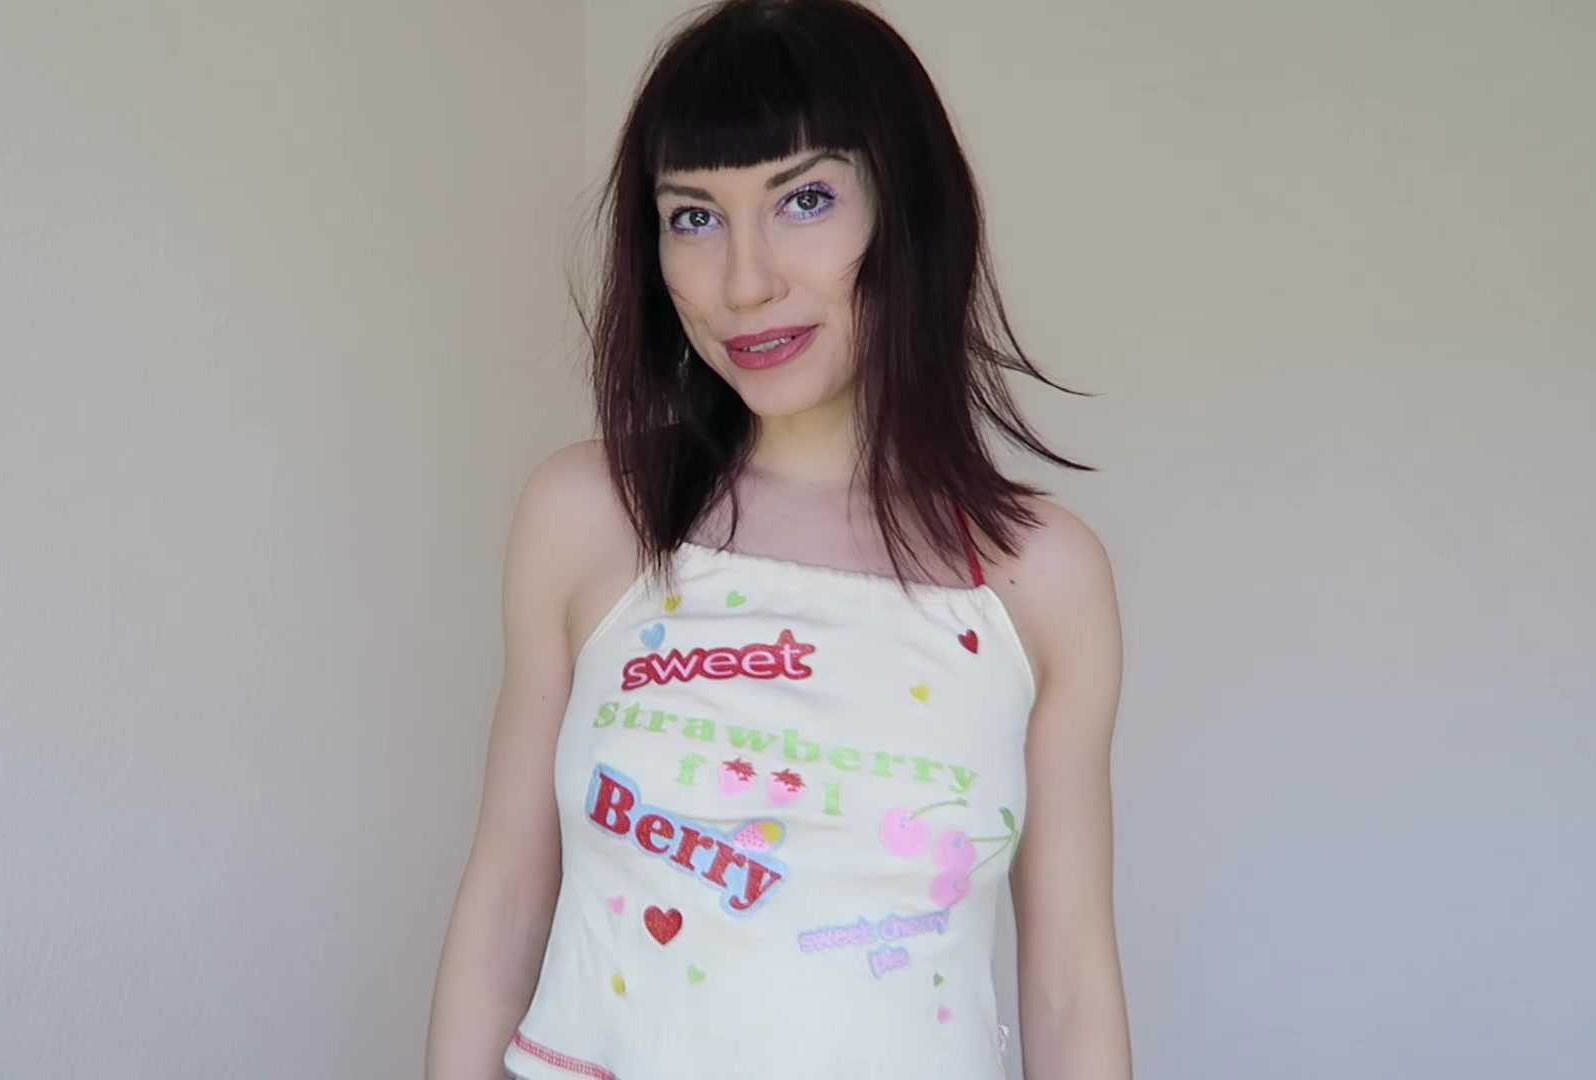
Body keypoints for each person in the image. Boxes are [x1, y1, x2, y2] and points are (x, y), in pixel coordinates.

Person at [425, 1, 1130, 1076]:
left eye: (805, 199)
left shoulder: (1041, 577)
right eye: (693, 215)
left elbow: (1071, 990)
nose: (744, 281)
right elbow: (507, 900)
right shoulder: (589, 516)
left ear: (910, 213)